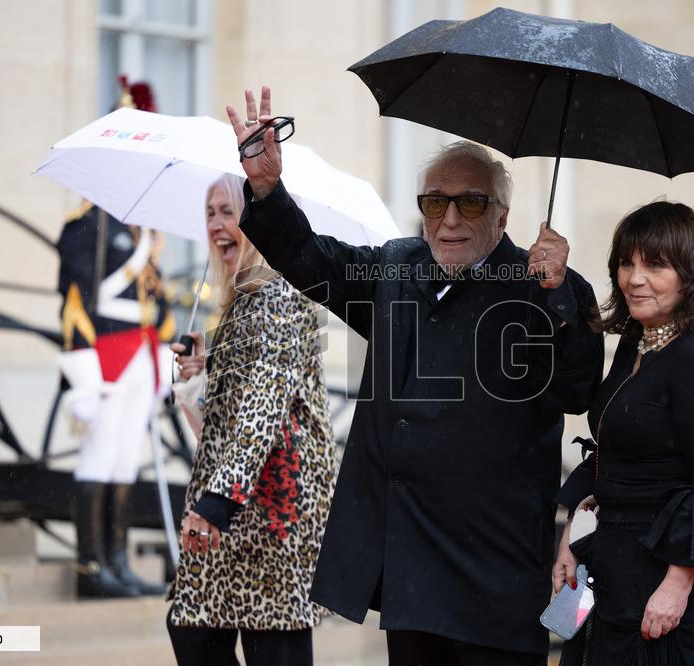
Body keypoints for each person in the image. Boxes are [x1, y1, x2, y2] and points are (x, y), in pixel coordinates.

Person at [228, 86, 604, 665]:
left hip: (495, 571)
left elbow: (578, 390)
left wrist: (557, 295)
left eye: (470, 204)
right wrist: (267, 189)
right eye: (435, 203)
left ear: (502, 215)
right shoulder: (396, 265)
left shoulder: (542, 283)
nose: (449, 219)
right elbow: (310, 260)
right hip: (411, 563)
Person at [552, 201, 694, 665]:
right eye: (627, 262)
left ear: (692, 275)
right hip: (619, 565)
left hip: (673, 585)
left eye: (655, 265)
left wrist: (677, 584)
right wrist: (575, 530)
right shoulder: (638, 339)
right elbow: (618, 448)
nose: (634, 278)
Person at [164, 173, 338, 666]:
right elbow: (225, 424)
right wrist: (200, 378)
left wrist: (216, 502)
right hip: (236, 513)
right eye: (211, 212)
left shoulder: (279, 296)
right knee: (192, 626)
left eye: (229, 211)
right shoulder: (242, 302)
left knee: (267, 642)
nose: (218, 224)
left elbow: (263, 409)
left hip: (274, 517)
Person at [56, 76, 173, 598]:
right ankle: (90, 565)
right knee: (100, 455)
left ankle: (118, 560)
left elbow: (157, 299)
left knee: (126, 456)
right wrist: (80, 381)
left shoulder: (147, 230)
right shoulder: (86, 225)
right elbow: (74, 306)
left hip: (142, 354)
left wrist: (170, 351)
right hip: (104, 356)